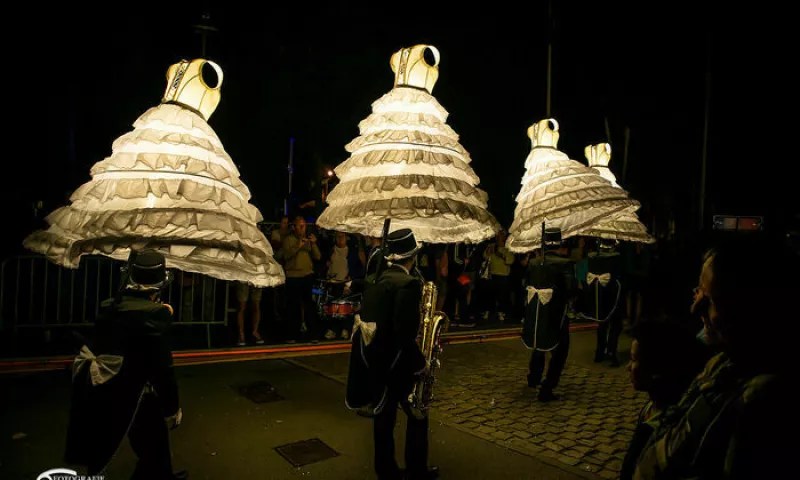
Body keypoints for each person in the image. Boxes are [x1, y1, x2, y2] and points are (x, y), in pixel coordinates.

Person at [633, 239, 799, 479]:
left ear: (751, 308)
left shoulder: (765, 401)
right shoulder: (721, 364)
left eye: (713, 300)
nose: (696, 309)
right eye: (699, 291)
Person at [64, 250, 185, 479]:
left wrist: (158, 311)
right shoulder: (155, 315)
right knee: (144, 446)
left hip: (106, 388)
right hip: (131, 391)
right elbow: (162, 368)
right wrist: (172, 407)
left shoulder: (111, 305)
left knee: (147, 444)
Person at [345, 228, 439, 480]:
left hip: (376, 362)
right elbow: (404, 334)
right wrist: (422, 364)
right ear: (413, 257)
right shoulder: (408, 284)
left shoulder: (377, 279)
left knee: (384, 420)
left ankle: (386, 471)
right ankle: (416, 470)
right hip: (397, 365)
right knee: (418, 413)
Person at [620, 319, 709, 480]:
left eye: (634, 359)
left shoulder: (673, 426)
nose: (628, 367)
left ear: (657, 370)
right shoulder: (652, 407)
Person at [521, 242, 575, 402]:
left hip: (537, 311)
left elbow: (526, 284)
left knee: (539, 344)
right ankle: (548, 387)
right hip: (556, 312)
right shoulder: (565, 263)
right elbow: (570, 289)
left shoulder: (533, 262)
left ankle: (533, 378)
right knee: (560, 351)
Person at [282, 217, 322, 342]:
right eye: (300, 226)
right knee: (293, 306)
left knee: (309, 306)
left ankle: (312, 334)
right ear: (294, 227)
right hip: (293, 276)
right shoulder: (288, 240)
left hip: (307, 275)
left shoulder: (308, 240)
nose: (302, 229)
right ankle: (292, 335)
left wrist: (314, 243)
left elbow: (318, 257)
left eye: (303, 226)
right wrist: (298, 246)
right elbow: (286, 255)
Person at [482, 230, 515, 323]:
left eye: (503, 235)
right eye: (500, 235)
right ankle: (488, 311)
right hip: (492, 274)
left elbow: (510, 261)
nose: (502, 237)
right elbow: (485, 256)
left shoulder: (508, 248)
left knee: (502, 295)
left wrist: (502, 256)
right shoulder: (492, 246)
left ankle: (501, 312)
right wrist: (488, 252)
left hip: (503, 275)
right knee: (490, 294)